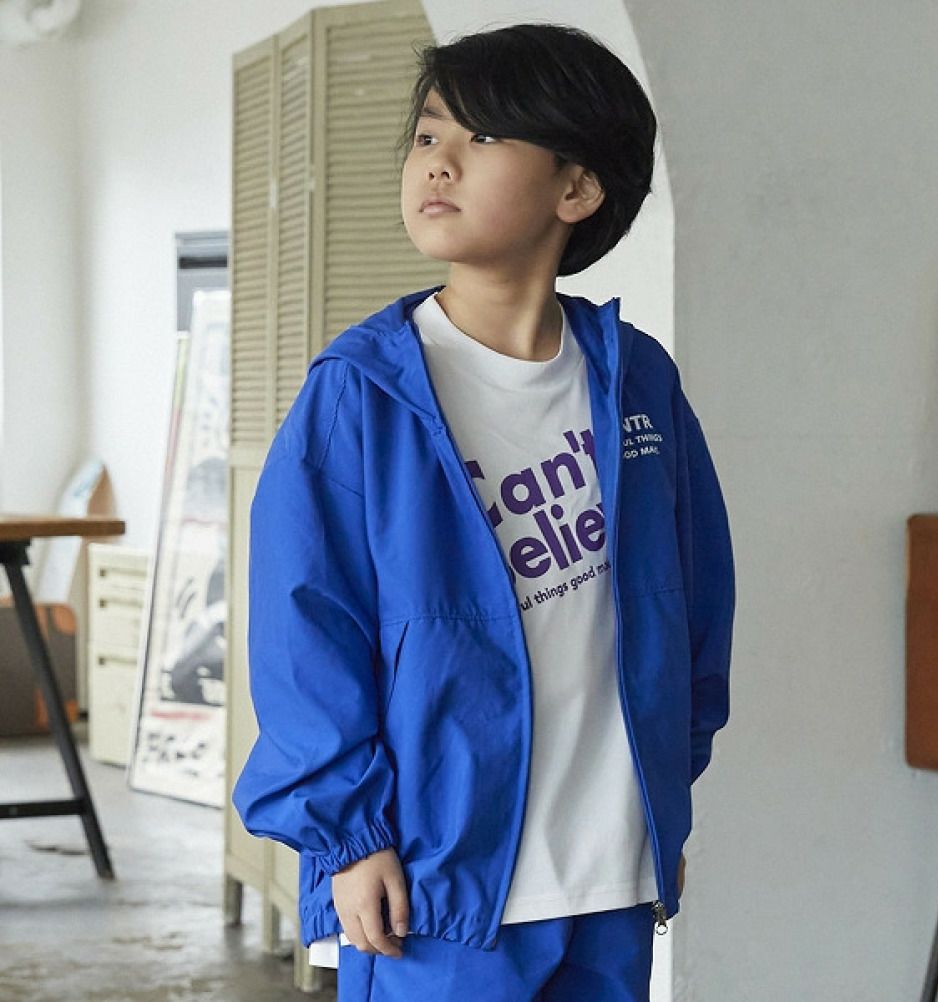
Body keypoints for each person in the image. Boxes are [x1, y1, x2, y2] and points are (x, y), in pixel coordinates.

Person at [232, 21, 735, 1002]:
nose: (438, 161)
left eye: (484, 137)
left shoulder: (636, 380)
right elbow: (305, 631)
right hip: (438, 888)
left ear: (576, 189)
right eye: (428, 135)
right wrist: (350, 836)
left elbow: (695, 600)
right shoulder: (362, 392)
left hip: (609, 871)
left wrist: (661, 801)